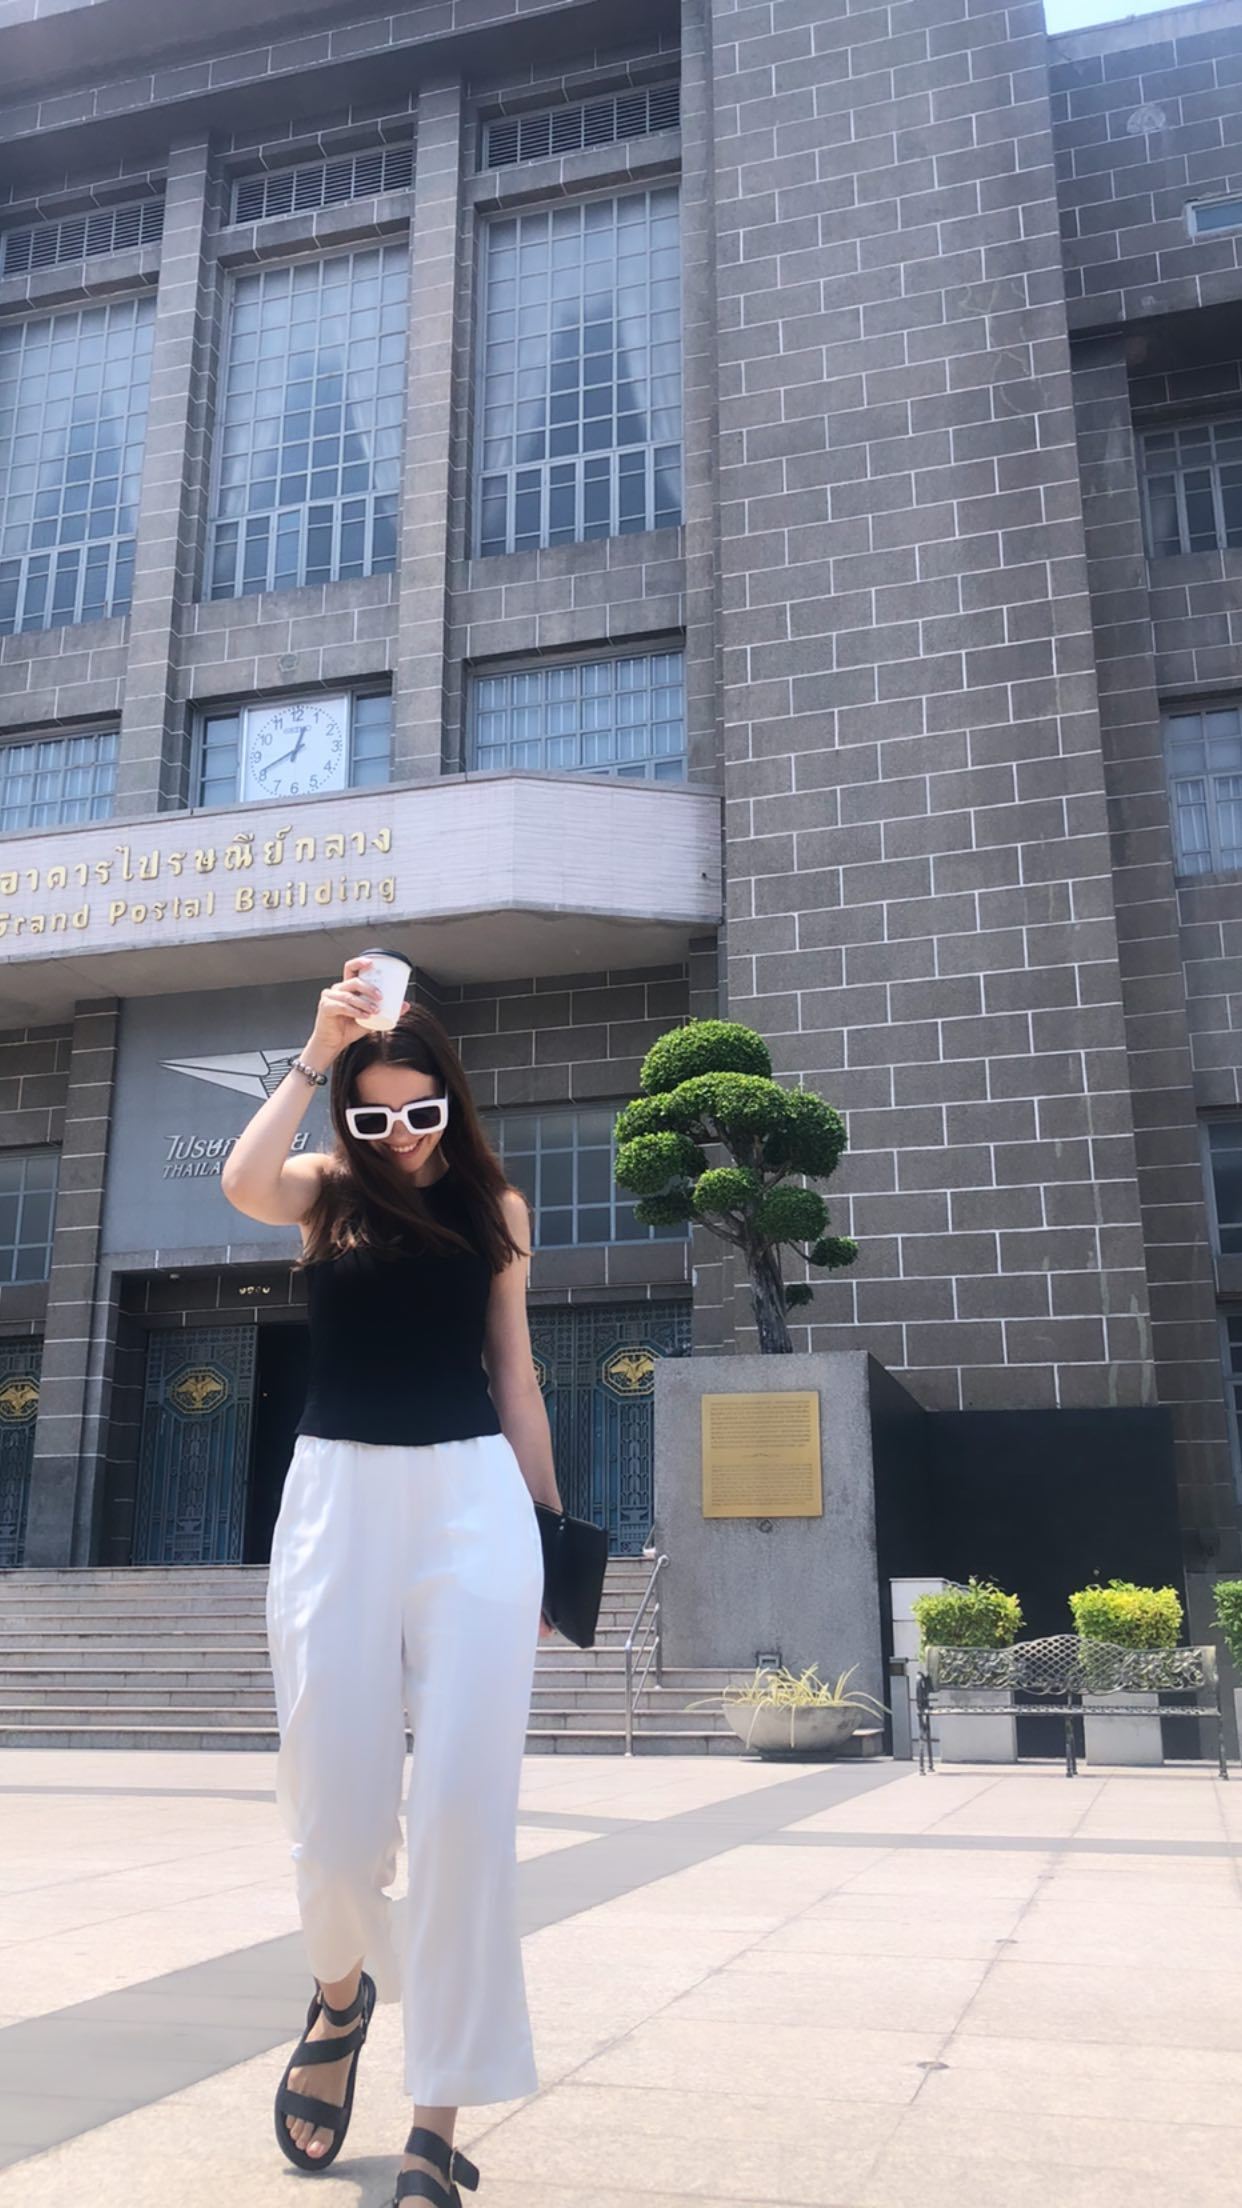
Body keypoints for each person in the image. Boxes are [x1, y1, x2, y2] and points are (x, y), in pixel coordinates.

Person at [221, 954, 559, 2208]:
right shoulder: (322, 1192)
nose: (402, 1134)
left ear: (450, 1102)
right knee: (332, 1819)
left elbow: (515, 1374)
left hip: (474, 1504)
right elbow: (242, 1180)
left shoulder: (497, 1209)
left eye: (421, 1111)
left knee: (467, 1813)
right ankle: (340, 1993)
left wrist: (547, 1535)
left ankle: (435, 2125)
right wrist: (317, 1051)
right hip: (337, 1503)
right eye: (374, 1118)